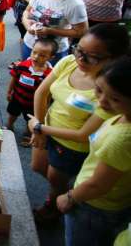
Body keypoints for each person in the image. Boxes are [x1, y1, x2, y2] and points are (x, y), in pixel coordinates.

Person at [26, 24, 128, 224]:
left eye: (93, 57)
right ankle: (67, 191)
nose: (80, 59)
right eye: (79, 50)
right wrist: (41, 128)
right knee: (38, 167)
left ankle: (53, 207)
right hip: (46, 128)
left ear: (118, 59)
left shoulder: (110, 94)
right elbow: (41, 92)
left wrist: (39, 127)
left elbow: (83, 135)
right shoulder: (69, 62)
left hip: (71, 145)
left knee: (56, 180)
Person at [54, 59, 131, 245]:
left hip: (94, 206)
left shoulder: (122, 139)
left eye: (115, 98)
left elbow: (99, 185)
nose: (102, 100)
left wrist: (70, 197)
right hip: (105, 201)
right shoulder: (121, 116)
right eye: (99, 89)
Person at [22, 0, 89, 66]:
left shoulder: (74, 4)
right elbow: (27, 10)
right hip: (30, 45)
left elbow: (81, 31)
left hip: (53, 52)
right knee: (26, 72)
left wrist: (49, 30)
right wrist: (26, 21)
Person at [3, 39, 56, 146]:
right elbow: (14, 79)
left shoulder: (50, 74)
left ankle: (28, 133)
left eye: (42, 55)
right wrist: (9, 92)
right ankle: (9, 125)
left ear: (50, 58)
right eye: (34, 52)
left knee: (30, 119)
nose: (36, 57)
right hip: (17, 97)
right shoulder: (22, 65)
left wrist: (46, 105)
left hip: (33, 103)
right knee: (12, 113)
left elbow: (48, 92)